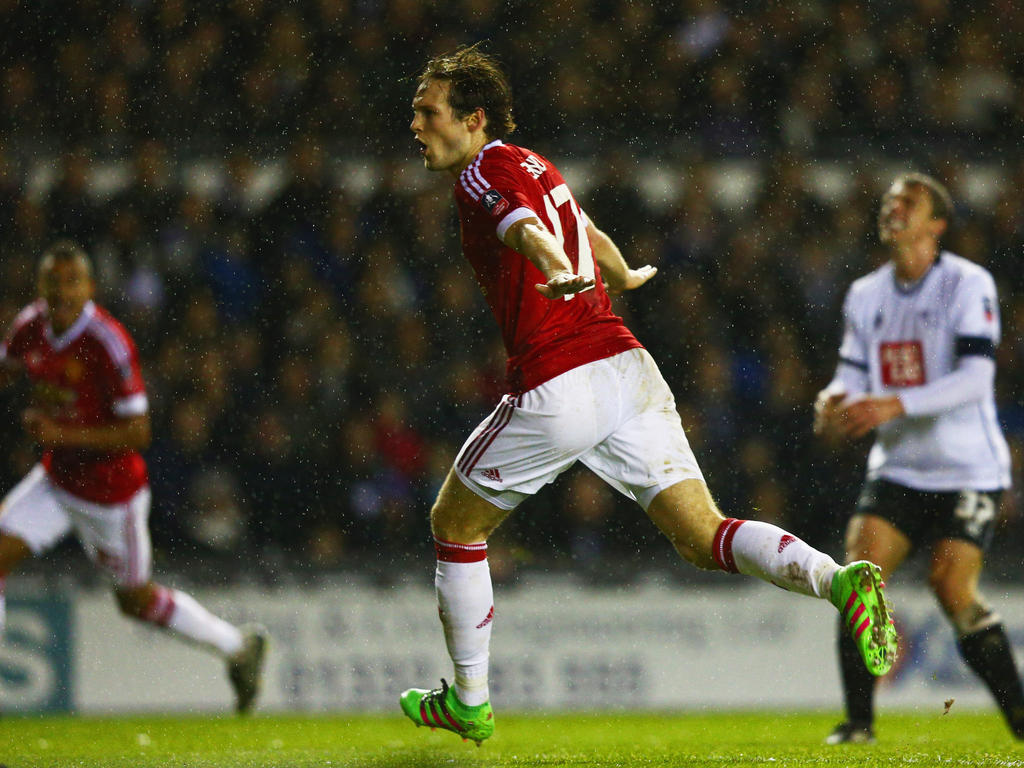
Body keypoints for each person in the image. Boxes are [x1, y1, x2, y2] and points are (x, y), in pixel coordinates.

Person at [399, 44, 898, 746]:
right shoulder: (537, 163)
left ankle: (471, 701)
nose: (415, 125)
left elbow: (526, 228)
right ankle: (839, 582)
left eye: (428, 112)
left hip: (559, 378)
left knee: (454, 524)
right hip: (626, 369)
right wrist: (621, 272)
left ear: (474, 118)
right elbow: (580, 226)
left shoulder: (481, 173)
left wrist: (551, 266)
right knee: (703, 535)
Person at [0, 241, 267, 714]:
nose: (61, 291)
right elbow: (9, 365)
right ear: (40, 286)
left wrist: (60, 431)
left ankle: (238, 648)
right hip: (56, 481)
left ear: (90, 288)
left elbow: (138, 431)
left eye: (71, 281)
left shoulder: (108, 342)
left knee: (135, 600)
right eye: (53, 281)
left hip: (110, 496)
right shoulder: (30, 326)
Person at [814, 173, 1022, 743]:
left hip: (968, 469)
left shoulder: (966, 283)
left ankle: (1020, 717)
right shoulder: (866, 294)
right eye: (887, 201)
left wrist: (893, 404)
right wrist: (834, 400)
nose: (893, 208)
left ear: (937, 224)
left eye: (909, 202)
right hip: (900, 467)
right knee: (860, 578)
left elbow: (976, 378)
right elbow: (853, 374)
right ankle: (858, 724)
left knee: (951, 587)